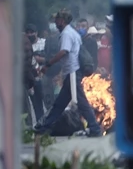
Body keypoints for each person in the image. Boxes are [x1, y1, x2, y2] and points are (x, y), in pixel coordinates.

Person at [33, 9, 103, 137]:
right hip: (71, 74)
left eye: (57, 20)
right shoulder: (72, 33)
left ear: (63, 21)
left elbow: (63, 52)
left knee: (82, 103)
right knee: (59, 104)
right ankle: (44, 127)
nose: (55, 22)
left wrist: (48, 64)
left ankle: (95, 128)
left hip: (73, 73)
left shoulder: (66, 34)